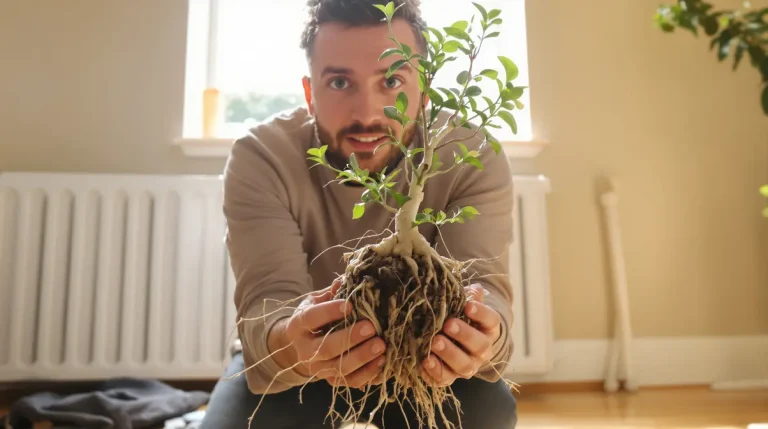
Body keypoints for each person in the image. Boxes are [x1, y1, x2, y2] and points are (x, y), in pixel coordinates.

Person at [200, 0, 518, 428]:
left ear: (422, 91)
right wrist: (293, 342)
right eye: (338, 83)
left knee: (489, 411)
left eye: (391, 80)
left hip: (429, 364)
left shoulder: (468, 152)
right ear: (310, 93)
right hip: (299, 366)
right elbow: (266, 304)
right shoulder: (262, 157)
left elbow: (486, 288)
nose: (367, 114)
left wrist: (484, 335)